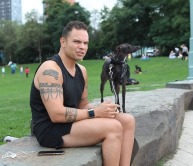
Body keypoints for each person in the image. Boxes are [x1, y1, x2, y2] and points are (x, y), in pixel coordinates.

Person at [30, 21, 135, 166]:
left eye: (85, 43)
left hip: (72, 122)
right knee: (113, 127)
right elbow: (56, 114)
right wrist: (94, 113)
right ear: (63, 41)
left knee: (127, 121)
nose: (82, 47)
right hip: (50, 129)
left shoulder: (81, 70)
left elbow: (83, 105)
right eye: (77, 42)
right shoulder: (51, 69)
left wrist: (104, 109)